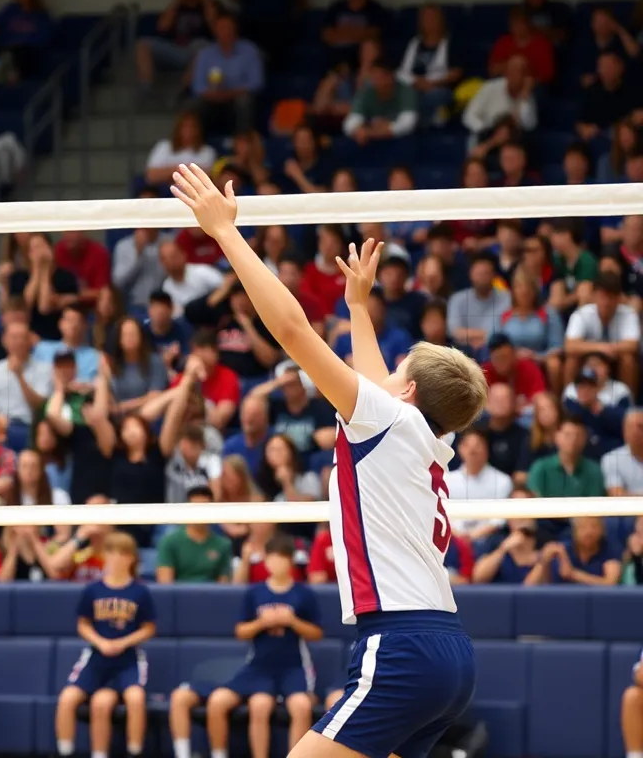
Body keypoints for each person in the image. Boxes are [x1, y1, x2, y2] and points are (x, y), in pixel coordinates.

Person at [170, 163, 486, 758]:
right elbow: (376, 382)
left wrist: (225, 234)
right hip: (448, 650)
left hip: (401, 644)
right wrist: (358, 307)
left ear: (409, 392)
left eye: (396, 372)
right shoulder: (423, 440)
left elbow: (292, 330)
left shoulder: (390, 420)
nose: (381, 375)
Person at [170, 533, 322, 758]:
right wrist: (263, 622)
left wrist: (292, 621)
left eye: (282, 558)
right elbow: (241, 631)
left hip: (293, 667)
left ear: (290, 560)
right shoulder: (255, 592)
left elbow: (317, 633)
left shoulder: (303, 593)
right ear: (265, 559)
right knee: (251, 704)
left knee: (301, 706)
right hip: (259, 666)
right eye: (272, 558)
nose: (276, 563)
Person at [54, 531, 156, 758]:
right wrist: (100, 642)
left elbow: (149, 628)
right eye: (110, 552)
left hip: (128, 658)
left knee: (135, 698)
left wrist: (123, 642)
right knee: (67, 698)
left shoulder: (140, 591)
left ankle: (135, 751)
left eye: (120, 553)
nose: (114, 558)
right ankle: (64, 751)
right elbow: (83, 624)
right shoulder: (93, 590)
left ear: (131, 558)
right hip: (97, 656)